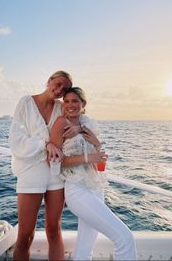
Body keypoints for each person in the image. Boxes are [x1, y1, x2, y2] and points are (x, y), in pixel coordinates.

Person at [50, 87, 137, 261]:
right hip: (77, 189)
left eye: (75, 101)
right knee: (125, 239)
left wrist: (97, 145)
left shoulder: (88, 125)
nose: (70, 105)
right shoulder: (61, 123)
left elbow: (100, 164)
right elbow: (56, 161)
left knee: (84, 250)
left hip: (96, 187)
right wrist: (89, 156)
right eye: (66, 101)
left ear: (83, 104)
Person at [9, 70, 80, 261]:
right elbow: (16, 140)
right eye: (56, 84)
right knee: (25, 235)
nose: (58, 90)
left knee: (54, 230)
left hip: (56, 173)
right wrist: (45, 144)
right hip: (30, 172)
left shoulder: (61, 107)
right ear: (49, 81)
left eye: (63, 89)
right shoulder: (26, 103)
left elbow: (79, 117)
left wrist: (79, 128)